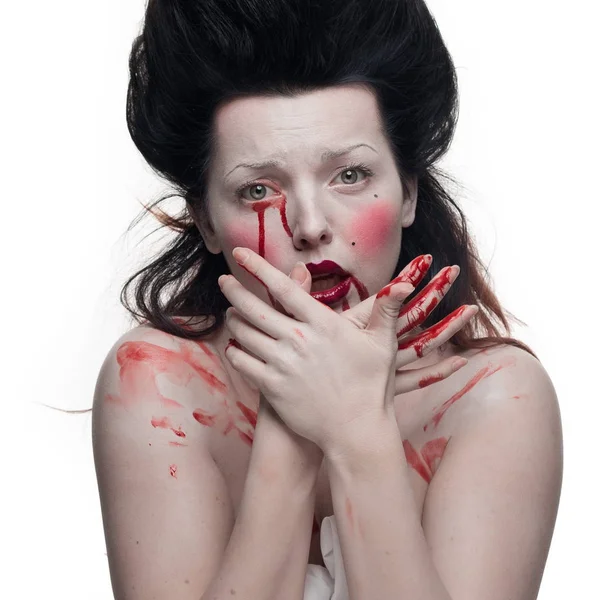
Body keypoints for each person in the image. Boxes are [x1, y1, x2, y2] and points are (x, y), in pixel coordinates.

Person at [92, 1, 563, 599]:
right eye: (257, 188)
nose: (311, 226)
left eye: (349, 176)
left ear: (409, 192)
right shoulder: (157, 384)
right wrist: (291, 430)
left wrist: (357, 433)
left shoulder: (492, 397)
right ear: (206, 221)